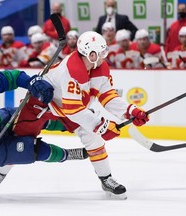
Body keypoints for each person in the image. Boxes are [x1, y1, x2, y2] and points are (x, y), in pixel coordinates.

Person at [9, 31, 150, 200]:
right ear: (91, 55)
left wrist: (130, 111)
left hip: (69, 107)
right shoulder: (71, 70)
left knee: (93, 138)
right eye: (101, 53)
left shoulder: (100, 67)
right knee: (20, 140)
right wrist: (103, 126)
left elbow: (108, 96)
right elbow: (73, 110)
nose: (104, 56)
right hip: (41, 105)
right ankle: (1, 171)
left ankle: (106, 178)